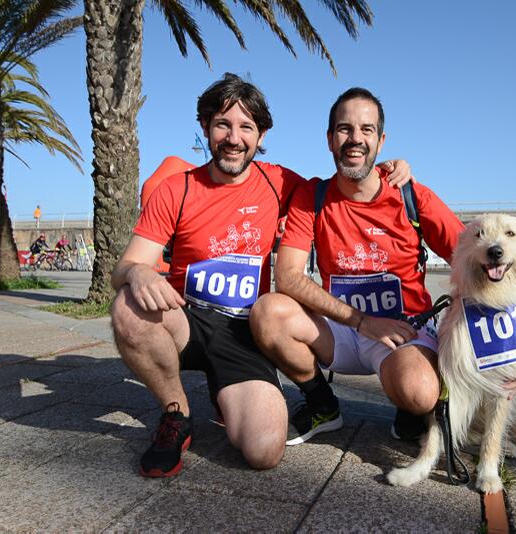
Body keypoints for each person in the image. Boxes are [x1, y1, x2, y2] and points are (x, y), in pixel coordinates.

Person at [109, 74, 412, 477]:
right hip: (186, 320)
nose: (233, 138)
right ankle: (176, 414)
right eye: (222, 125)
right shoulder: (175, 190)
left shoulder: (278, 181)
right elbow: (125, 267)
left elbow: (341, 189)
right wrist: (137, 274)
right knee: (129, 308)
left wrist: (391, 169)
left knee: (264, 451)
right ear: (205, 128)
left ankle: (227, 390)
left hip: (245, 331)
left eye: (246, 127)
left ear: (261, 134)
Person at [250, 88, 466, 446]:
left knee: (418, 391)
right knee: (268, 312)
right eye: (345, 129)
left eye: (366, 130)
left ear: (380, 141)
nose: (355, 139)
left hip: (404, 330)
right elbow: (287, 276)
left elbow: (470, 259)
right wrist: (362, 321)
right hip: (344, 329)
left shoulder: (412, 196)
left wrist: (503, 341)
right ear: (330, 139)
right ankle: (322, 405)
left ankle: (411, 410)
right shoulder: (313, 196)